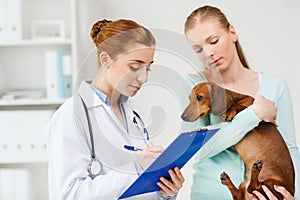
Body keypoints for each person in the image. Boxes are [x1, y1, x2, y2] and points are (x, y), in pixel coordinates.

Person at [47, 19, 184, 200]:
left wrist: (165, 191)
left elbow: (141, 188)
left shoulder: (132, 114)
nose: (143, 78)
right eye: (135, 67)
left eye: (148, 68)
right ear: (106, 60)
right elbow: (69, 194)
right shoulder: (72, 115)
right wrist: (136, 170)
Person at [183, 5, 300, 200]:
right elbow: (201, 148)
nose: (208, 53)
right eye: (198, 49)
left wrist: (293, 197)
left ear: (232, 33)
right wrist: (255, 114)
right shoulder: (193, 86)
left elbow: (291, 151)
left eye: (213, 41)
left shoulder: (274, 86)